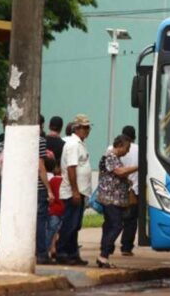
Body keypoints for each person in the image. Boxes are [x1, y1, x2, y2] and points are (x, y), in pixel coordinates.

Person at [55, 114, 93, 266]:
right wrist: (75, 191)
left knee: (75, 225)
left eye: (88, 127)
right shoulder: (73, 145)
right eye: (83, 127)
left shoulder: (80, 144)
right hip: (73, 192)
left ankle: (72, 253)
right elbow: (71, 168)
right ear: (76, 128)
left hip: (81, 191)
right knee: (69, 224)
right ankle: (62, 252)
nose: (87, 130)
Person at [96, 134, 138, 268]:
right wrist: (138, 167)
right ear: (119, 146)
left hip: (115, 199)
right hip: (111, 199)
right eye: (127, 147)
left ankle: (104, 256)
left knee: (110, 225)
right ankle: (103, 255)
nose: (128, 151)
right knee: (116, 225)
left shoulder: (115, 158)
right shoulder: (110, 157)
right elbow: (119, 172)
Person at [36, 116, 55, 264]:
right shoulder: (40, 141)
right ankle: (42, 253)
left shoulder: (17, 140)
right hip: (38, 187)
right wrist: (49, 189)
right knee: (41, 221)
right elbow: (40, 167)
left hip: (23, 187)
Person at [118, 126, 139, 256]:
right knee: (131, 219)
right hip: (134, 189)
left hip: (118, 188)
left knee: (114, 218)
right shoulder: (139, 149)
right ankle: (126, 247)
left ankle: (107, 244)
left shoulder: (113, 148)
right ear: (134, 137)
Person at [45, 157, 64, 260]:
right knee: (58, 232)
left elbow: (50, 196)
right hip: (64, 210)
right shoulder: (65, 181)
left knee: (51, 231)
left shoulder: (52, 180)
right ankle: (55, 249)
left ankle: (48, 250)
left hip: (53, 210)